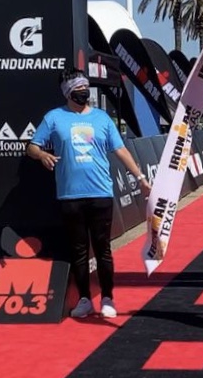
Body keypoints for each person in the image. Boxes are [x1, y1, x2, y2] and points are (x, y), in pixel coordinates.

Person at [27, 67, 151, 319]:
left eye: (86, 88)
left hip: (100, 193)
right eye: (79, 90)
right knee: (79, 250)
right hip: (69, 196)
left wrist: (140, 178)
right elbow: (32, 146)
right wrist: (41, 155)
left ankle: (107, 298)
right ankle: (84, 299)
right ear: (68, 92)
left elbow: (121, 150)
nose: (84, 93)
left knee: (103, 248)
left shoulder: (102, 119)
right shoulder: (54, 118)